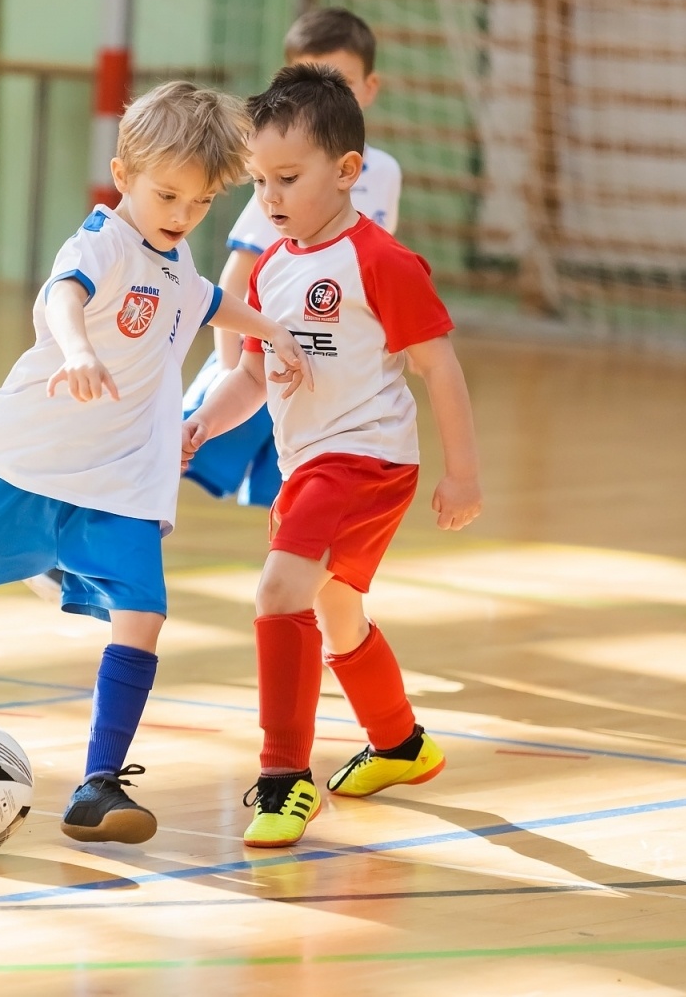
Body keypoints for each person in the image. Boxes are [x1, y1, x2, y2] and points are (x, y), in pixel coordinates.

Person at [0, 81, 312, 846]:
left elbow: (208, 299)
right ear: (123, 173)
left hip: (120, 484)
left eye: (201, 202)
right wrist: (76, 351)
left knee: (143, 614)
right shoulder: (100, 242)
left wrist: (271, 331)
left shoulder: (177, 263)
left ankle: (99, 784)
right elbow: (61, 298)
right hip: (27, 466)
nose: (182, 215)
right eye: (167, 195)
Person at [183, 64, 482, 849]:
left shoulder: (382, 261)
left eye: (288, 178)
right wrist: (202, 423)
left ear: (348, 170)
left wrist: (463, 473)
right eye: (259, 181)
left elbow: (439, 365)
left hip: (363, 462)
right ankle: (401, 744)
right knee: (335, 611)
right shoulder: (271, 269)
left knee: (279, 589)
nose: (270, 197)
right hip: (310, 465)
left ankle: (285, 779)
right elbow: (251, 376)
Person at [184, 7, 402, 509]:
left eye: (340, 82)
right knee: (175, 453)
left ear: (370, 87)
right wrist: (230, 367)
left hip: (324, 368)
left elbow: (376, 268)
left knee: (290, 496)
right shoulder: (286, 180)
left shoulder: (386, 173)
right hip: (259, 356)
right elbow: (236, 279)